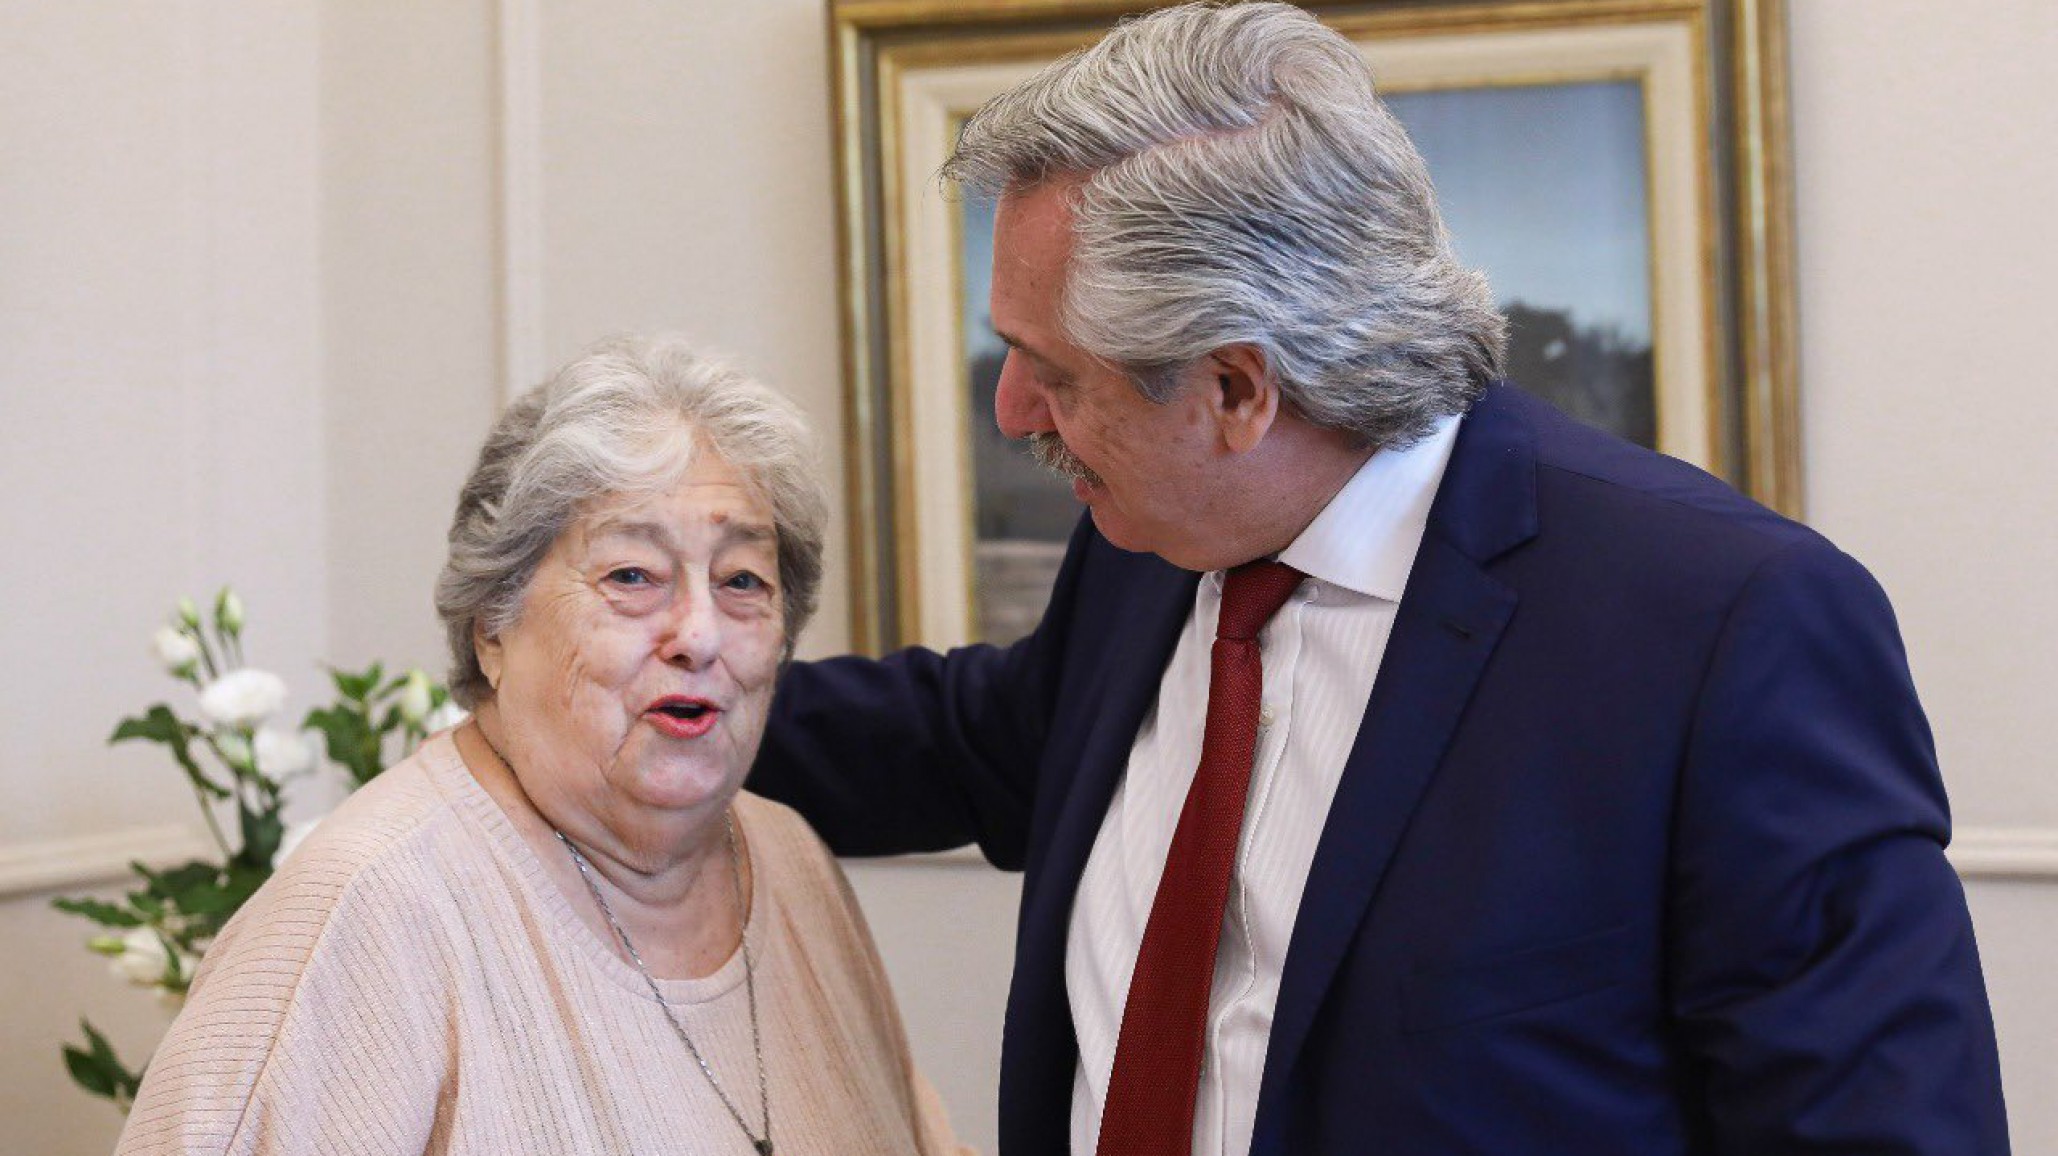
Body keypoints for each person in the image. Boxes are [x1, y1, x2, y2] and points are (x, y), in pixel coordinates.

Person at [749, 4, 2009, 1154]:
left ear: (1238, 389)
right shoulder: (1151, 546)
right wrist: (616, 706)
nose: (1015, 406)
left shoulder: (1724, 629)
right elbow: (972, 737)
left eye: (1055, 373)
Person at [117, 335, 965, 1155]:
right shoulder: (367, 911)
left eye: (743, 581)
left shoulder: (786, 854)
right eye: (632, 575)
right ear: (493, 624)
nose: (699, 634)